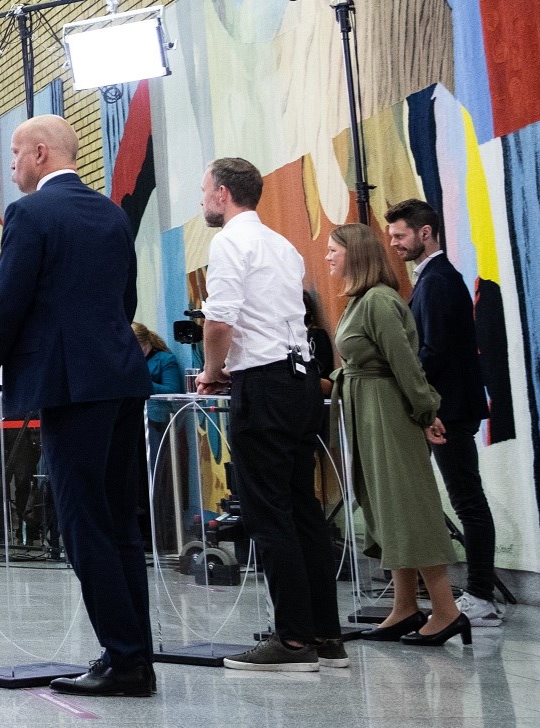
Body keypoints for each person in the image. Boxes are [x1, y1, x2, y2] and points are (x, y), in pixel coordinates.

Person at [0, 115, 155, 696]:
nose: (11, 166)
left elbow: (6, 300)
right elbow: (126, 299)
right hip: (118, 377)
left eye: (15, 154)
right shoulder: (112, 213)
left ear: (41, 153)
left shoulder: (30, 214)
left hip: (69, 384)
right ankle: (137, 653)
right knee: (120, 525)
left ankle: (124, 660)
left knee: (84, 524)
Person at [187, 158, 342, 673]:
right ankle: (325, 633)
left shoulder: (231, 242)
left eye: (206, 190)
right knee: (303, 510)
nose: (203, 198)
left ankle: (293, 641)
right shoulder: (283, 245)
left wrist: (212, 371)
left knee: (267, 511)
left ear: (225, 193)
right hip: (301, 380)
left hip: (265, 383)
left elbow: (220, 318)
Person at [326, 224, 468, 646]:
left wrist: (427, 410)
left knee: (407, 507)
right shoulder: (359, 301)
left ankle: (446, 610)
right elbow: (360, 364)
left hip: (388, 414)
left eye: (334, 250)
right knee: (387, 508)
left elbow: (405, 362)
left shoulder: (379, 302)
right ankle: (405, 606)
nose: (329, 256)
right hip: (370, 412)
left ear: (355, 254)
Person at [385, 199, 501, 626]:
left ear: (426, 233)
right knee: (466, 499)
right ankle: (476, 592)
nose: (394, 243)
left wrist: (404, 386)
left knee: (467, 501)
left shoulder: (436, 281)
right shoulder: (436, 278)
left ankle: (481, 596)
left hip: (448, 411)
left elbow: (431, 351)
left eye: (400, 235)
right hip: (448, 408)